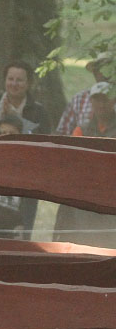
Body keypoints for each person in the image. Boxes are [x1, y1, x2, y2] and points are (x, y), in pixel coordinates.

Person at [53, 81, 116, 247]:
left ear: (113, 100)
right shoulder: (81, 130)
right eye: (97, 99)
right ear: (91, 101)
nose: (101, 104)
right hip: (83, 194)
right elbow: (71, 162)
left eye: (106, 99)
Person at [0, 114, 37, 239]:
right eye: (3, 132)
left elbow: (30, 201)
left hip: (14, 220)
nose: (7, 137)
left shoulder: (27, 162)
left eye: (12, 133)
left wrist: (24, 224)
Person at [0, 60, 51, 135]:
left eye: (19, 80)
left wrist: (15, 117)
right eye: (10, 79)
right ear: (4, 81)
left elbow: (42, 139)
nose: (14, 84)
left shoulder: (39, 112)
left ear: (28, 83)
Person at [56, 52, 112, 135]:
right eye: (101, 70)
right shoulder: (79, 99)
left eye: (110, 70)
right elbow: (62, 133)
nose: (105, 75)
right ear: (95, 73)